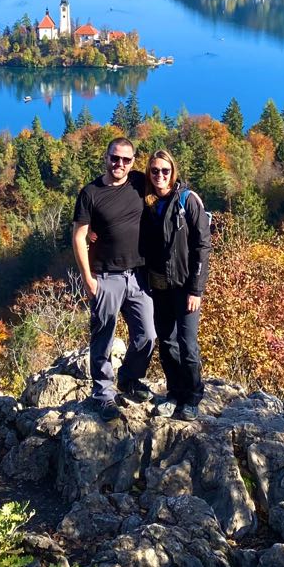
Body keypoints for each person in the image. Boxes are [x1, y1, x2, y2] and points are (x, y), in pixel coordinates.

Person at [72, 136, 156, 422]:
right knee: (103, 336)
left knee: (147, 336)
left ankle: (129, 379)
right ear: (105, 158)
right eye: (114, 158)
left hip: (138, 276)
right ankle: (103, 394)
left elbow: (166, 187)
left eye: (126, 160)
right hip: (105, 276)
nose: (119, 164)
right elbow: (79, 236)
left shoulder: (138, 182)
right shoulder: (91, 193)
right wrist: (87, 279)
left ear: (133, 162)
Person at [141, 148, 210, 421]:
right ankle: (174, 392)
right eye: (154, 170)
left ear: (173, 172)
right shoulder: (146, 202)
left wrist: (196, 289)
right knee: (167, 343)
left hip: (184, 286)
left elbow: (202, 246)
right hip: (158, 286)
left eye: (165, 171)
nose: (160, 175)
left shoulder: (187, 201)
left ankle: (192, 396)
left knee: (188, 344)